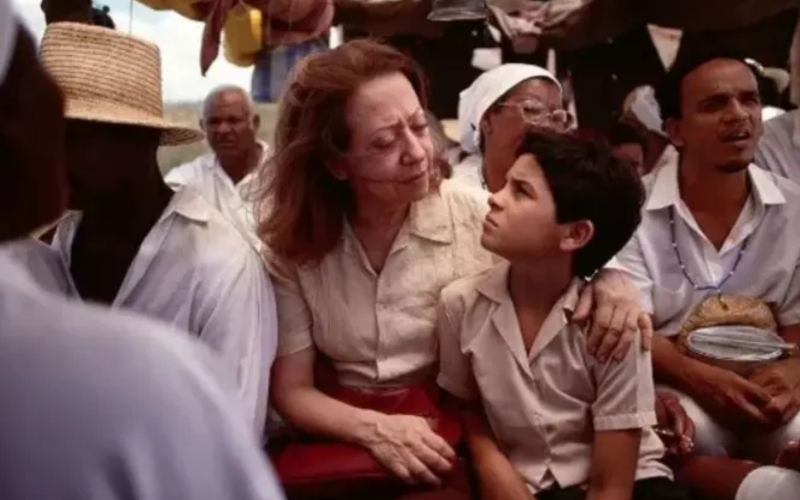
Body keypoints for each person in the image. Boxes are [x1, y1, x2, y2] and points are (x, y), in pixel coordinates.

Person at [257, 39, 652, 498]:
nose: (417, 153)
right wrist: (376, 430)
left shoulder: (480, 218)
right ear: (335, 162)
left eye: (418, 126)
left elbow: (566, 251)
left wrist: (611, 280)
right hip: (343, 439)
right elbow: (293, 390)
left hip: (452, 440)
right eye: (384, 142)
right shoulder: (298, 245)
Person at [0, 4, 285, 499]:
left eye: (77, 138)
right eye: (52, 136)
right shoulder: (50, 252)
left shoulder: (221, 264)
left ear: (142, 141)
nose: (55, 156)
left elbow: (229, 440)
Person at [437, 130, 690, 500]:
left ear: (575, 234)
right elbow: (462, 403)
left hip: (630, 484)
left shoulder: (614, 325)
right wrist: (489, 459)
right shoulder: (460, 305)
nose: (494, 198)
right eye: (505, 184)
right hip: (527, 481)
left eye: (521, 192)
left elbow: (611, 487)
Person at [613, 49, 800, 471]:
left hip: (767, 381)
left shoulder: (794, 208)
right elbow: (634, 329)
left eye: (749, 100)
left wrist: (794, 372)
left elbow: (796, 327)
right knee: (688, 437)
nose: (738, 115)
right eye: (715, 105)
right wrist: (701, 379)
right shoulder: (629, 210)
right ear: (676, 131)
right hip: (673, 382)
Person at [166, 84, 268, 248]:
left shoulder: (284, 174)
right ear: (203, 127)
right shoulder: (191, 178)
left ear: (254, 123)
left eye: (233, 120)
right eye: (214, 122)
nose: (223, 130)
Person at [454, 63, 572, 192]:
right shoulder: (454, 196)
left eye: (557, 118)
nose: (547, 126)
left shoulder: (569, 192)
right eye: (531, 109)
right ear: (487, 119)